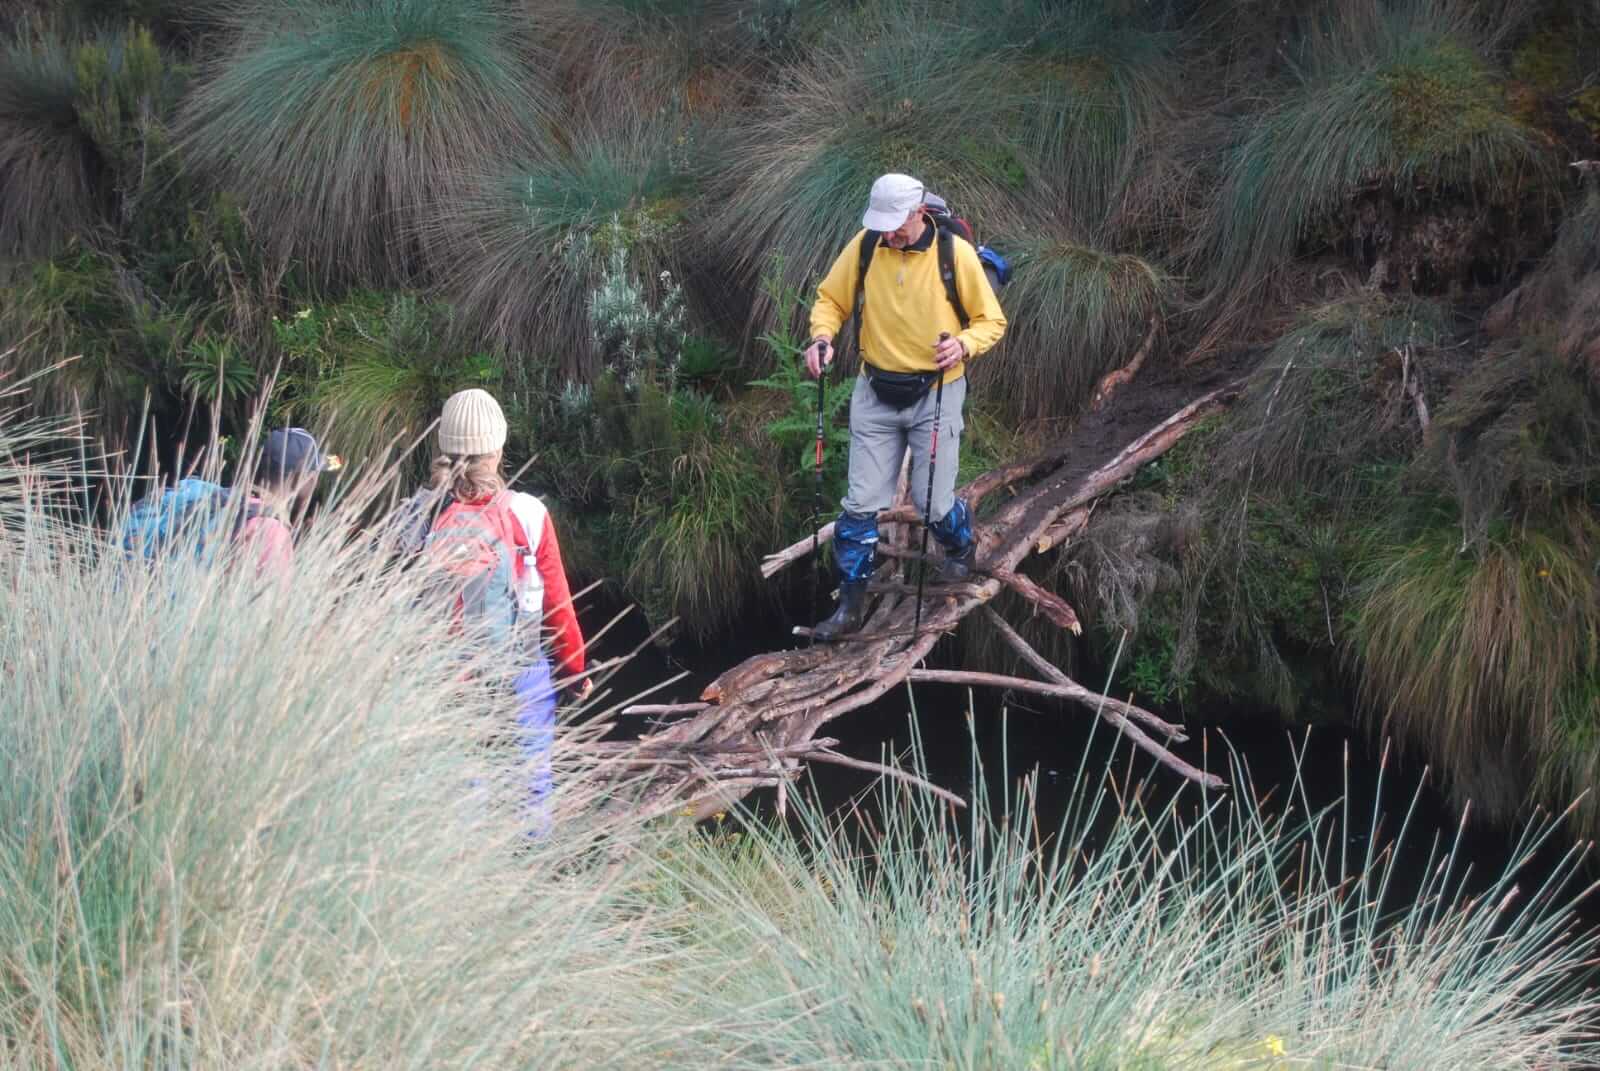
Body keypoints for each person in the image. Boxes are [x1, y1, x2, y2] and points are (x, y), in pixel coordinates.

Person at [802, 173, 1008, 640]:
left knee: (932, 503)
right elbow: (831, 300)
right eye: (883, 224)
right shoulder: (866, 245)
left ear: (918, 212)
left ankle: (960, 547)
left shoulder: (953, 255)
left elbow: (991, 320)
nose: (889, 232)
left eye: (896, 223)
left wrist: (964, 344)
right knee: (858, 506)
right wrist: (822, 338)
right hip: (874, 390)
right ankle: (850, 606)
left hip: (936, 391)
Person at [418, 388, 590, 817]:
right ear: (498, 448)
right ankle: (532, 862)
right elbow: (557, 606)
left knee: (464, 786)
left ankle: (470, 869)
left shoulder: (420, 515)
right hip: (520, 668)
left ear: (445, 448)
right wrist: (574, 672)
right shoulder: (528, 513)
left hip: (449, 677)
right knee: (532, 779)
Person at [237, 427, 337, 576]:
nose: (315, 481)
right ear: (301, 478)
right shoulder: (273, 533)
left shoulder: (233, 504)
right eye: (314, 474)